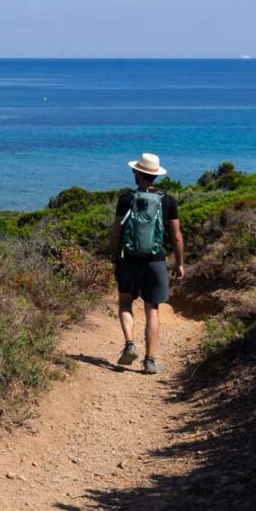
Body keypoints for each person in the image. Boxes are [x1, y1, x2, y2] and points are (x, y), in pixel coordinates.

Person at [108, 153, 184, 374]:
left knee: (124, 304)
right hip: (156, 261)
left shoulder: (126, 199)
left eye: (135, 171)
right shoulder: (167, 201)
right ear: (155, 176)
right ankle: (150, 361)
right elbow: (176, 236)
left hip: (129, 259)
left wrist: (114, 258)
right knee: (152, 310)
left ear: (138, 174)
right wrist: (179, 263)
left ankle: (130, 345)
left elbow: (116, 233)